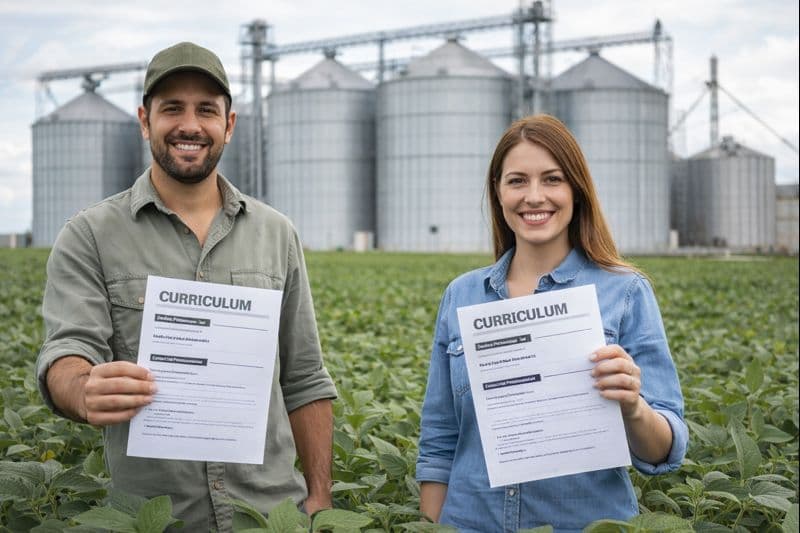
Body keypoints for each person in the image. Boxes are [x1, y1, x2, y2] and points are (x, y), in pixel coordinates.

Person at [36, 42, 337, 531]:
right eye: (171, 108)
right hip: (156, 518)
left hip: (265, 514)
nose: (190, 125)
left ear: (229, 124)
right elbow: (69, 351)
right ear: (144, 120)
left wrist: (320, 497)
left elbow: (304, 376)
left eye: (206, 110)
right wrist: (83, 388)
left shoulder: (275, 232)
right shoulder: (90, 234)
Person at [416, 114, 687, 532]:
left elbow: (663, 450)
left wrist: (633, 406)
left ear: (576, 190)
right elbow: (439, 439)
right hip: (471, 522)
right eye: (518, 181)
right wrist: (432, 526)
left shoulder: (625, 292)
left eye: (552, 179)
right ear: (499, 192)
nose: (534, 196)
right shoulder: (462, 295)